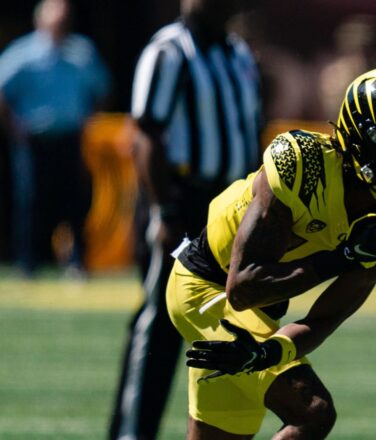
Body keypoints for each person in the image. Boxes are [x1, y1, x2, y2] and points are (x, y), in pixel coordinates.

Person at [167, 67, 376, 438]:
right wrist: (341, 257)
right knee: (313, 412)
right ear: (366, 142)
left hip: (262, 310)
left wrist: (270, 353)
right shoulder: (302, 164)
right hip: (207, 287)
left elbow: (326, 317)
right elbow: (243, 287)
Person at [110, 0, 263, 438]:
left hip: (230, 203)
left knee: (233, 323)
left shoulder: (238, 52)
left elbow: (249, 127)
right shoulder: (168, 51)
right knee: (159, 321)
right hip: (181, 199)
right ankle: (131, 433)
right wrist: (164, 212)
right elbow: (147, 136)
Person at [0, 0, 110, 277]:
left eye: (65, 20)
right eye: (56, 21)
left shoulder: (82, 52)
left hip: (71, 138)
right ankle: (29, 263)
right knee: (32, 200)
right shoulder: (22, 54)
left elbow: (101, 88)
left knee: (74, 201)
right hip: (35, 140)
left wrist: (90, 121)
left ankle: (76, 263)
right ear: (41, 22)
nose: (62, 26)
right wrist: (13, 126)